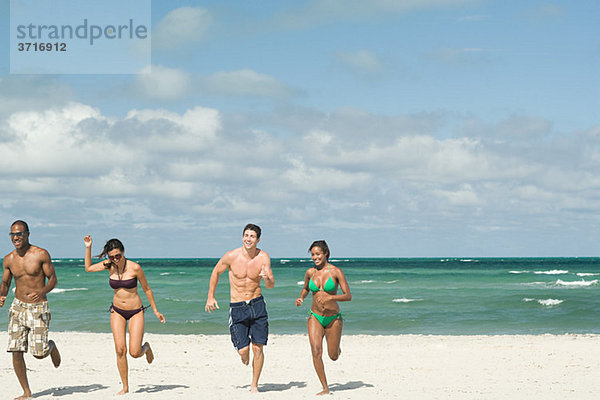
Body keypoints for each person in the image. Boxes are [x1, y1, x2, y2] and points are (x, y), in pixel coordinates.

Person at [83, 235, 165, 395]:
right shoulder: (109, 265)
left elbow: (147, 289)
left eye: (117, 256)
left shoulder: (135, 268)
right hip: (117, 311)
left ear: (123, 252)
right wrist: (88, 247)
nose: (115, 259)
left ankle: (146, 348)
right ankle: (125, 387)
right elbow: (88, 268)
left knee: (134, 352)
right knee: (120, 350)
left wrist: (155, 310)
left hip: (136, 312)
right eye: (112, 257)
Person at [205, 223, 274, 393]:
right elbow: (216, 272)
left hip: (257, 305)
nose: (248, 239)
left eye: (252, 236)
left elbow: (271, 285)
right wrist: (210, 297)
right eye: (246, 235)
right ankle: (244, 351)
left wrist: (267, 278)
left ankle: (254, 385)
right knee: (244, 351)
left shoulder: (263, 257)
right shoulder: (231, 256)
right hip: (237, 307)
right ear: (242, 237)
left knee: (258, 347)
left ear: (258, 239)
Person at [0, 220, 61, 400]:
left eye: (19, 233)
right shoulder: (9, 259)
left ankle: (51, 347)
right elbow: (5, 282)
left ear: (27, 234)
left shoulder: (41, 254)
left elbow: (53, 279)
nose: (16, 237)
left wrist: (42, 291)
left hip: (38, 306)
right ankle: (26, 392)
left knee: (39, 353)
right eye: (12, 234)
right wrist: (2, 295)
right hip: (18, 306)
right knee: (15, 350)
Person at [295, 240, 351, 395]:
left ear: (326, 253)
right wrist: (301, 298)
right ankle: (325, 388)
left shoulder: (336, 272)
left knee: (333, 356)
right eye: (312, 254)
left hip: (333, 318)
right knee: (315, 351)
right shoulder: (310, 273)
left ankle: (336, 348)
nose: (315, 257)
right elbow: (306, 288)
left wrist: (330, 298)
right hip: (315, 316)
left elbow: (348, 296)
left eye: (318, 254)